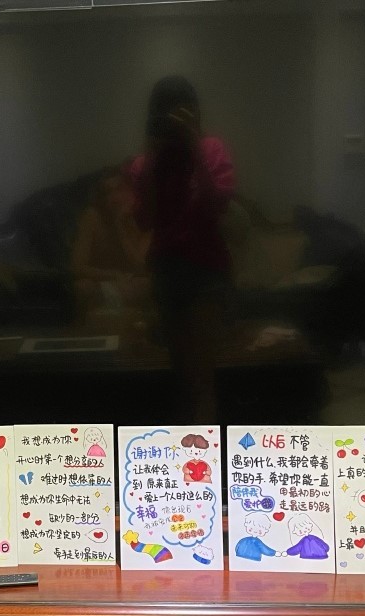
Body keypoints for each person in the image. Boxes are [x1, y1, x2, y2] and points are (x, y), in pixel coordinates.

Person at [129, 76, 235, 423]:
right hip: (166, 270)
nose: (174, 120)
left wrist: (194, 148)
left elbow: (217, 205)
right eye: (167, 113)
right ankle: (185, 451)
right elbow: (145, 220)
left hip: (206, 270)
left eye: (182, 111)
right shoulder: (145, 164)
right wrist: (152, 158)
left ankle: (204, 454)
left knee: (202, 379)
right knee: (181, 378)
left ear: (194, 113)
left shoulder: (211, 149)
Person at [71, 171, 151, 313]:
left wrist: (121, 228)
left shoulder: (142, 219)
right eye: (108, 193)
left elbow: (141, 267)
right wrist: (113, 275)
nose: (114, 198)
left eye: (120, 189)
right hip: (101, 281)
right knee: (82, 287)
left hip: (132, 283)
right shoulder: (92, 217)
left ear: (131, 191)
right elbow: (77, 266)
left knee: (146, 284)